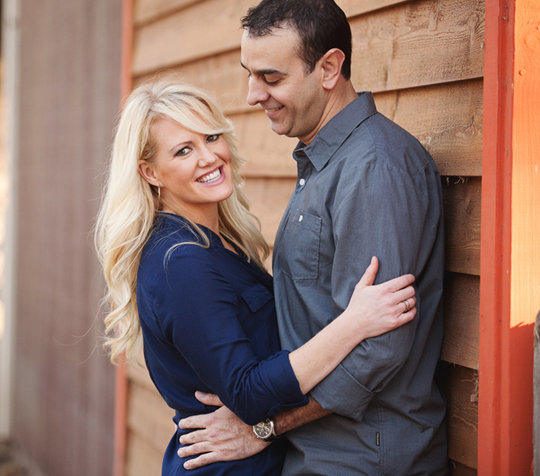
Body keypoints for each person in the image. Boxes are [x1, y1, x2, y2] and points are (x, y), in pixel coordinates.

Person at [175, 0, 447, 475]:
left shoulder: (374, 170)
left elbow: (377, 350)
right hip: (321, 455)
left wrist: (265, 425)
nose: (254, 94)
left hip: (366, 459)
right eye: (249, 75)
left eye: (270, 77)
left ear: (328, 68)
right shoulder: (325, 162)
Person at [95, 78, 419, 475]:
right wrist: (353, 324)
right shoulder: (180, 262)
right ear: (151, 173)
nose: (209, 157)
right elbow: (247, 393)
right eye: (183, 150)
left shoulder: (216, 241)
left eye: (211, 137)